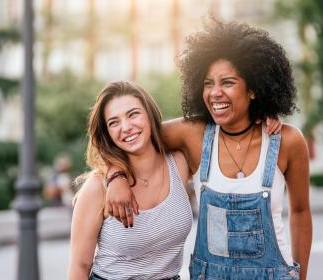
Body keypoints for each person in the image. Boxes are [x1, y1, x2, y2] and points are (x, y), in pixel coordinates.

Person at [106, 18, 312, 280]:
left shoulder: (287, 141)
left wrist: (301, 275)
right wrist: (116, 175)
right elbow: (131, 138)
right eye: (207, 83)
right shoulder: (193, 134)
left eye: (227, 82)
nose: (215, 93)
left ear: (253, 89)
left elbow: (301, 211)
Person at [68, 81, 193, 280]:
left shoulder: (179, 163)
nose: (126, 127)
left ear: (150, 115)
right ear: (107, 133)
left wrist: (262, 112)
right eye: (113, 122)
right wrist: (115, 173)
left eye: (133, 114)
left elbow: (208, 125)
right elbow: (79, 267)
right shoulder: (97, 188)